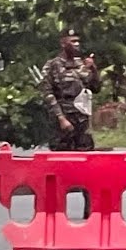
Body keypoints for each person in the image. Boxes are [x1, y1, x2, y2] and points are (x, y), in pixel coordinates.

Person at [38, 27, 101, 218]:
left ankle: (88, 210)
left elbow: (95, 87)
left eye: (78, 41)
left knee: (86, 166)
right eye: (72, 41)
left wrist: (93, 69)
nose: (76, 44)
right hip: (62, 123)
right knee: (60, 167)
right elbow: (47, 94)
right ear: (63, 43)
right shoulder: (53, 65)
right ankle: (57, 211)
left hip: (81, 121)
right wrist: (61, 118)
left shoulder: (82, 65)